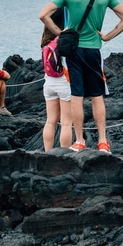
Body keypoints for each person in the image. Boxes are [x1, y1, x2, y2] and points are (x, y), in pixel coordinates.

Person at [39, 0, 123, 154]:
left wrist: (60, 33)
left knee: (76, 95)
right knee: (97, 96)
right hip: (93, 51)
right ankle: (102, 142)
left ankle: (80, 140)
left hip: (72, 51)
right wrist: (108, 36)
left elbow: (43, 15)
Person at [40, 11, 74, 151]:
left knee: (50, 121)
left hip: (48, 84)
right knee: (66, 123)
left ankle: (48, 152)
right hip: (64, 83)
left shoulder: (46, 41)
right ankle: (64, 154)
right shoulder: (64, 39)